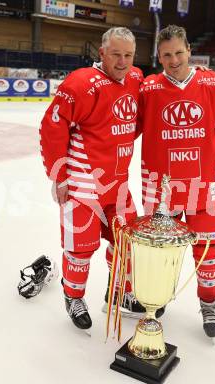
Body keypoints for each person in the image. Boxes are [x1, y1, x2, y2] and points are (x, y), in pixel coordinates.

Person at [39, 27, 152, 330]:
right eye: (116, 54)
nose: (122, 62)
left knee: (126, 242)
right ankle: (73, 296)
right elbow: (52, 128)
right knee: (80, 249)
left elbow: (138, 118)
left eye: (128, 55)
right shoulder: (79, 83)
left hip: (118, 186)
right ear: (101, 53)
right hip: (83, 186)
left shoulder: (136, 79)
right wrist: (59, 176)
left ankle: (118, 294)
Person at [138, 25, 215, 337]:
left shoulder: (214, 83)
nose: (173, 60)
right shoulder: (148, 89)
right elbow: (124, 125)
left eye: (179, 52)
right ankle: (156, 299)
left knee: (210, 252)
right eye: (166, 54)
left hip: (204, 189)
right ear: (158, 56)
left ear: (189, 51)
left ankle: (209, 304)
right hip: (161, 190)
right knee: (160, 253)